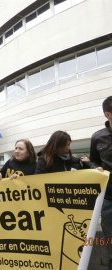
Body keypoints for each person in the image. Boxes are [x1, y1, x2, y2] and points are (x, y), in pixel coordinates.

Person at [90, 96, 112, 269]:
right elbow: (93, 161)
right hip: (108, 199)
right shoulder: (97, 137)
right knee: (110, 235)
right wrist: (95, 168)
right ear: (107, 114)